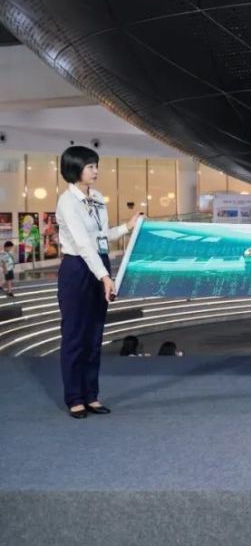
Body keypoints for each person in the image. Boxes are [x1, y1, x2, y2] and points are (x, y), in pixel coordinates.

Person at [56, 146, 141, 418]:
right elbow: (83, 244)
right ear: (75, 169)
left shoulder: (97, 198)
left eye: (96, 165)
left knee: (94, 336)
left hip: (99, 262)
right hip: (77, 268)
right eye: (90, 166)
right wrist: (104, 277)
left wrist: (127, 227)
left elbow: (101, 238)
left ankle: (91, 395)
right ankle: (74, 398)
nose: (95, 171)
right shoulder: (67, 202)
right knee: (75, 336)